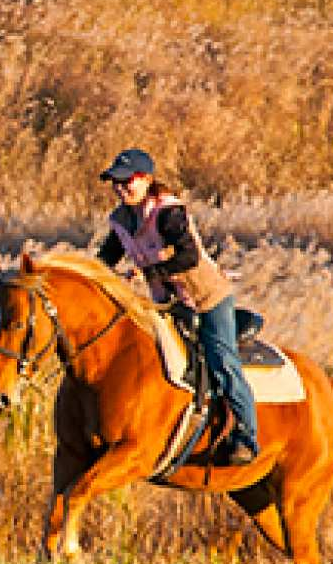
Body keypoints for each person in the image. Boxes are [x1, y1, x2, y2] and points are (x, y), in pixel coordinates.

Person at [95, 147, 257, 465]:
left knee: (222, 361)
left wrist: (148, 272)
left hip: (206, 299)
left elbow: (188, 257)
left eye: (127, 182)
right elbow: (105, 261)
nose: (119, 188)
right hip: (166, 304)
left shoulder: (169, 213)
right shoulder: (120, 220)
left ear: (146, 180)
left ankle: (247, 436)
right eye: (115, 182)